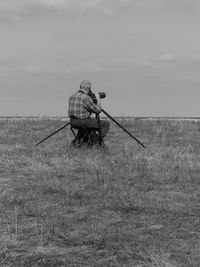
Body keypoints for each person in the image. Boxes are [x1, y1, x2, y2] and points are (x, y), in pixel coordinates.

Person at [68, 80, 110, 145]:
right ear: (88, 88)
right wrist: (98, 99)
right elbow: (97, 110)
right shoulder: (86, 98)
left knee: (89, 125)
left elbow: (82, 108)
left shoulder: (72, 96)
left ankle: (81, 141)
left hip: (72, 121)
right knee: (106, 124)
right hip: (82, 121)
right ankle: (98, 142)